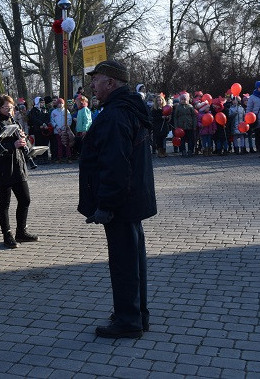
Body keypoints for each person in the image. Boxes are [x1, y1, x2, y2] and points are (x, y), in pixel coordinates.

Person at [77, 60, 156, 339]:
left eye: (96, 79)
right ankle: (136, 313)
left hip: (121, 202)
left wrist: (106, 205)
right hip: (133, 199)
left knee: (123, 262)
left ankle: (128, 319)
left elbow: (115, 164)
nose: (92, 85)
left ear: (111, 83)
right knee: (133, 260)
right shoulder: (130, 108)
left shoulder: (115, 115)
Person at [0, 95, 38, 249]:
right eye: (6, 108)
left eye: (11, 108)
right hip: (2, 169)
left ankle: (21, 231)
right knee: (4, 203)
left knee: (25, 199)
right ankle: (7, 235)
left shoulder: (13, 121)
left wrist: (25, 141)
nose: (10, 111)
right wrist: (12, 145)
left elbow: (24, 144)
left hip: (18, 166)